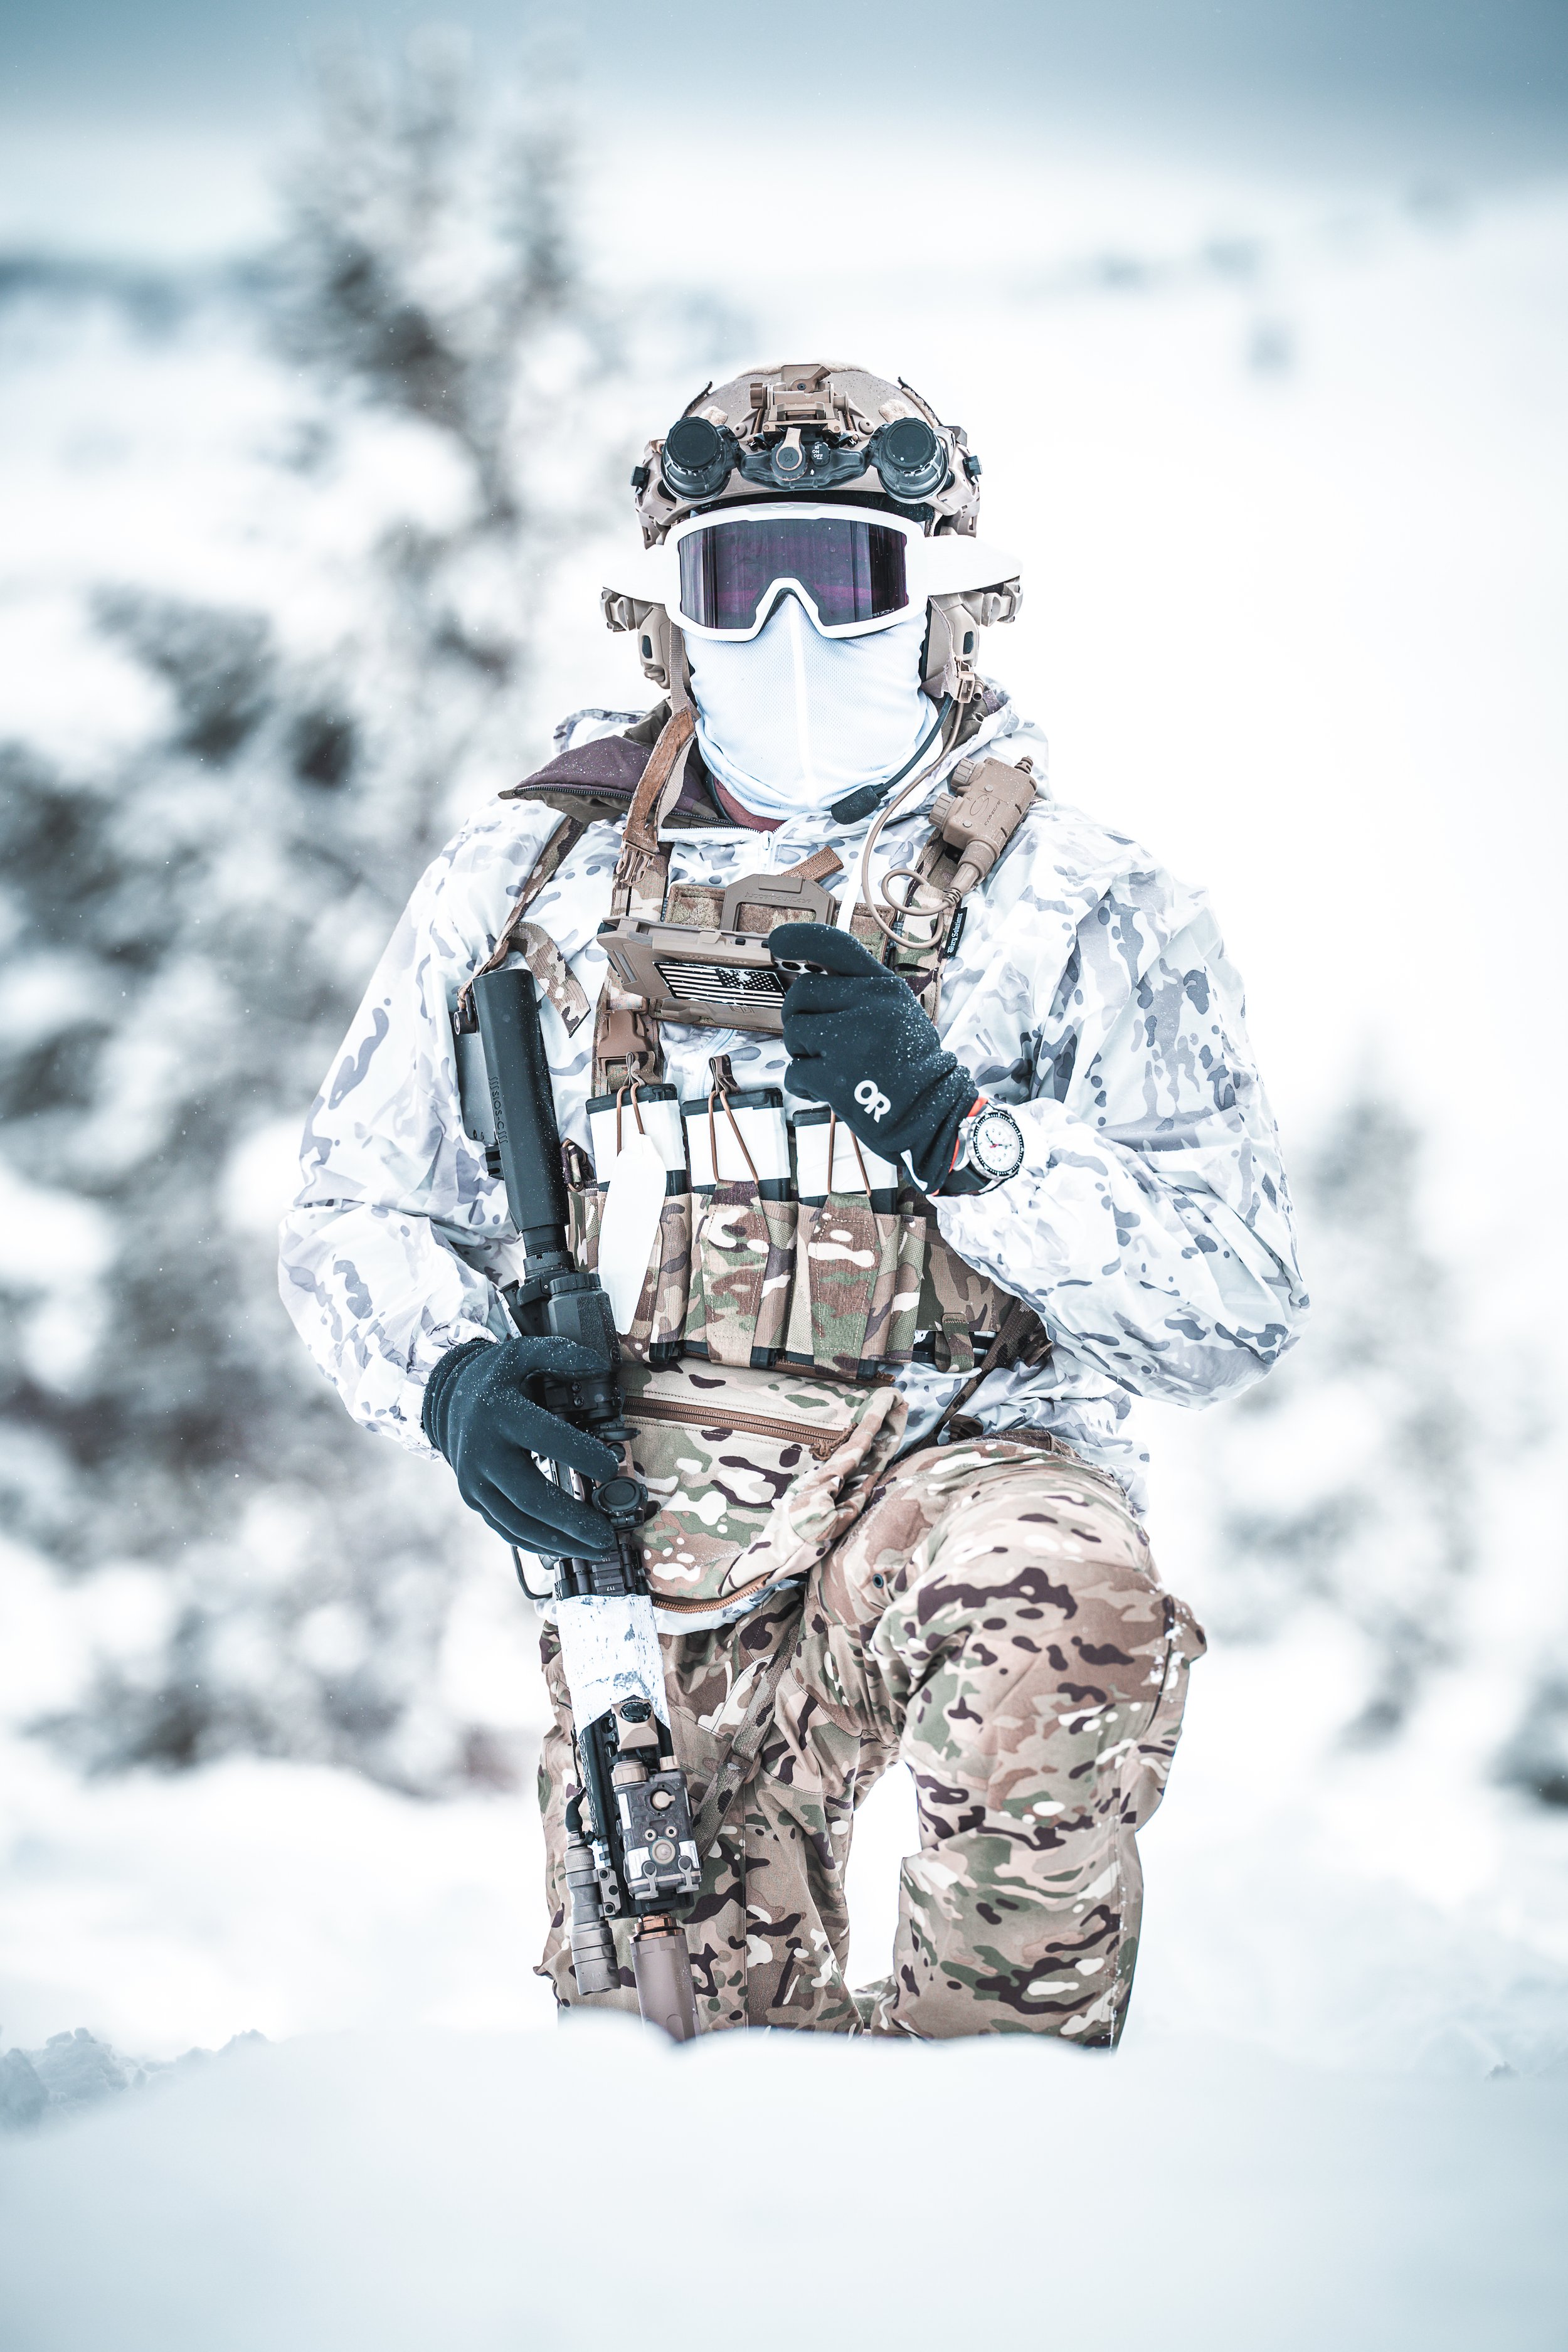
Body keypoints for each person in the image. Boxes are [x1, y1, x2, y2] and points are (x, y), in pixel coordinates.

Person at [279, 361, 1306, 2042]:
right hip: (655, 1537)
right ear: (662, 612)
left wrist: (968, 1136)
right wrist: (450, 1383)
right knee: (682, 2042)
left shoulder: (1084, 903)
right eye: (733, 580)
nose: (786, 631)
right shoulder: (528, 884)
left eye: (842, 578)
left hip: (972, 1461)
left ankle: (1008, 2134)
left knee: (1054, 1617)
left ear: (936, 603)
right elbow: (358, 1209)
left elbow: (1228, 1303)